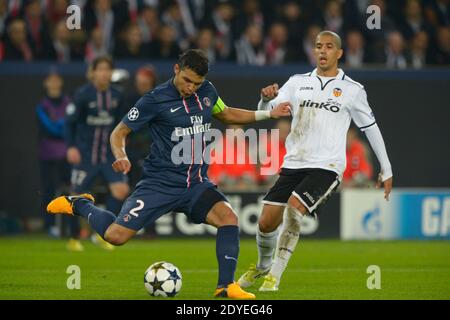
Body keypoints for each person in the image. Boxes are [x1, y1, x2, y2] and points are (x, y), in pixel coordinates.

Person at [47, 49, 291, 299]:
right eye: (187, 80)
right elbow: (119, 132)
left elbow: (226, 113)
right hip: (159, 184)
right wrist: (121, 156)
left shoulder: (208, 91)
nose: (191, 88)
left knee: (229, 219)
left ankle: (225, 287)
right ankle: (80, 204)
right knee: (115, 236)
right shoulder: (154, 99)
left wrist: (268, 114)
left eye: (197, 83)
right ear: (176, 69)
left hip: (196, 184)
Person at [238, 31, 393, 291]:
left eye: (329, 47)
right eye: (318, 46)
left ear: (339, 53)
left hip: (327, 166)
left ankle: (274, 276)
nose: (322, 51)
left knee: (295, 208)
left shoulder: (352, 90)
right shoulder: (297, 82)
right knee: (266, 222)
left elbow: (370, 128)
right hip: (294, 163)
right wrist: (265, 98)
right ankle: (263, 265)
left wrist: (386, 168)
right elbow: (268, 111)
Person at [63, 56, 130, 251]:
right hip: (86, 155)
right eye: (100, 69)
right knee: (76, 196)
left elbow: (122, 125)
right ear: (92, 72)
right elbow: (69, 123)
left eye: (107, 69)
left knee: (121, 191)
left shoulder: (117, 95)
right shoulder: (83, 94)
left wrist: (121, 150)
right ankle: (73, 238)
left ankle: (103, 234)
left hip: (109, 156)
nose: (104, 73)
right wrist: (71, 147)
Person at [36, 70, 73, 241]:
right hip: (48, 154)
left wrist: (59, 125)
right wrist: (61, 125)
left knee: (69, 190)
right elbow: (49, 128)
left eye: (57, 79)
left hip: (66, 154)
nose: (54, 83)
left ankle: (71, 227)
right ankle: (50, 225)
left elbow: (71, 124)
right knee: (49, 190)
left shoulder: (69, 103)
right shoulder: (42, 106)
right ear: (46, 83)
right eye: (51, 80)